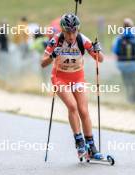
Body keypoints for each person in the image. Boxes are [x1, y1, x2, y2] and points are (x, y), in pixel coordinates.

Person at [41, 13, 103, 159]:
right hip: (60, 78)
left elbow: (100, 59)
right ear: (62, 30)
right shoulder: (55, 41)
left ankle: (91, 147)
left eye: (74, 31)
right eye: (68, 32)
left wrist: (98, 50)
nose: (71, 35)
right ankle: (79, 142)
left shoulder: (83, 40)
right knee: (72, 106)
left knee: (83, 110)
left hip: (77, 78)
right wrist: (52, 56)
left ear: (77, 30)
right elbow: (43, 63)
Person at [112, 18, 135, 104]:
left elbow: (115, 50)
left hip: (123, 65)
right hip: (134, 64)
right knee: (134, 82)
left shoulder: (119, 38)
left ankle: (129, 98)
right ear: (132, 26)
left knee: (126, 83)